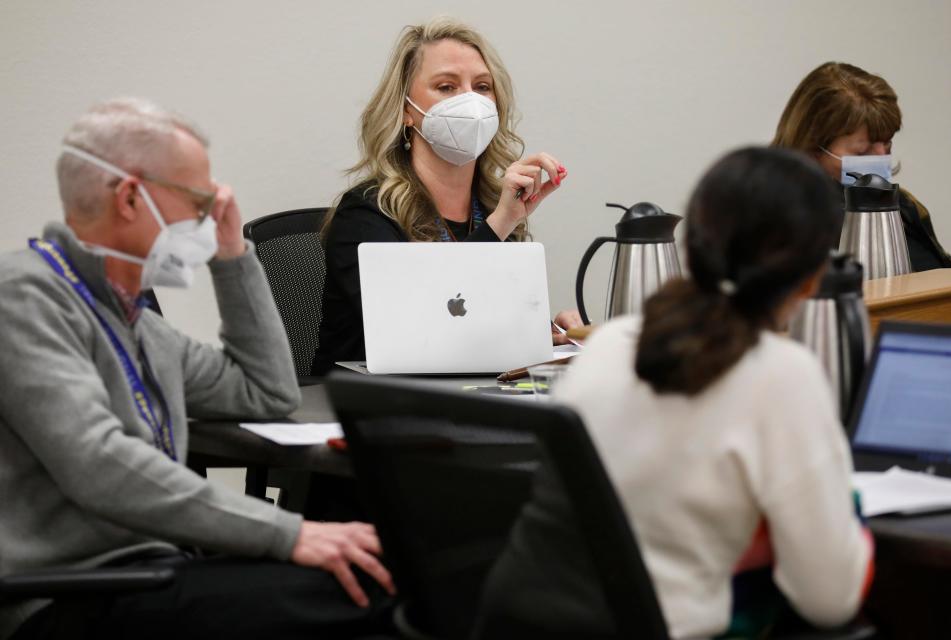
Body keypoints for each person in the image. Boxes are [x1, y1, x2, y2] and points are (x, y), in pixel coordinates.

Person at [0, 98, 394, 640]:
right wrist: (289, 534)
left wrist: (232, 254)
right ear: (132, 196)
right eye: (199, 199)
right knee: (375, 593)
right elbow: (101, 466)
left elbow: (268, 392)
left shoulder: (138, 324)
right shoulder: (24, 298)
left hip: (154, 575)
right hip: (66, 598)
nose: (209, 215)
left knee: (391, 577)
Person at [476, 147, 874, 639]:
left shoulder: (606, 347)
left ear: (692, 246)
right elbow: (830, 600)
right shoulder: (782, 375)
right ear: (815, 276)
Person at [310, 17, 578, 375]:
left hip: (467, 400)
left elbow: (480, 327)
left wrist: (544, 332)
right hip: (367, 408)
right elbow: (425, 325)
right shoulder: (365, 213)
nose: (469, 100)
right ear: (407, 110)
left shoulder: (490, 206)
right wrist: (500, 224)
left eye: (482, 87)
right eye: (447, 87)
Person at [773, 61, 951, 272]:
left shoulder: (904, 205)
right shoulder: (775, 215)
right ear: (813, 148)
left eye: (887, 142)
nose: (881, 157)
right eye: (862, 152)